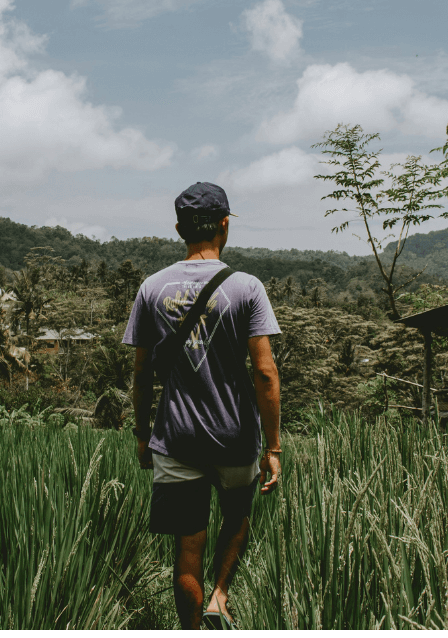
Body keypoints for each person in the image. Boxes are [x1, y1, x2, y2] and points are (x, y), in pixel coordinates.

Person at [122, 181, 282, 630]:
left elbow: (140, 372)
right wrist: (274, 447)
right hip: (235, 439)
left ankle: (190, 628)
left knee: (185, 555)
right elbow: (265, 373)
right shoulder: (247, 287)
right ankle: (220, 595)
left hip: (176, 441)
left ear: (179, 229)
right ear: (225, 226)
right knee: (237, 515)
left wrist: (141, 434)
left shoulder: (151, 288)